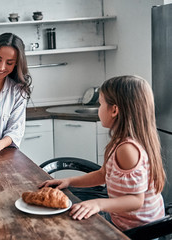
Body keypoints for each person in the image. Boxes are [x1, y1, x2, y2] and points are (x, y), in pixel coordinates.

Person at [39, 75, 166, 231]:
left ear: (114, 110)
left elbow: (136, 201)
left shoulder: (128, 149)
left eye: (100, 104)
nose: (99, 109)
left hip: (137, 230)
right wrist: (69, 181)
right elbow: (102, 174)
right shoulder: (123, 141)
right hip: (126, 219)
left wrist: (98, 204)